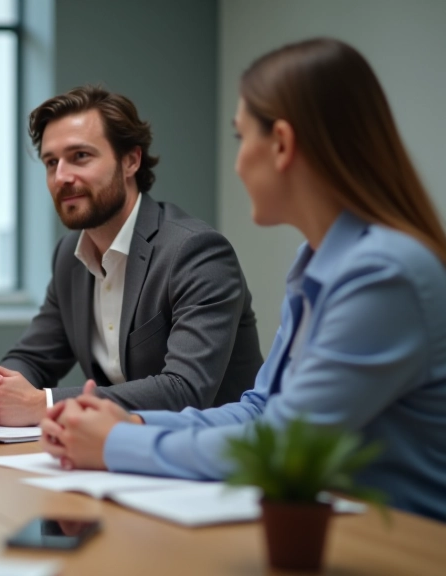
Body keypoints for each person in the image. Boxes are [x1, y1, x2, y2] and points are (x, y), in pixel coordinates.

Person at [39, 38, 446, 522]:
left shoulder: (383, 273)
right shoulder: (317, 261)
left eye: (240, 137)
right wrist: (131, 421)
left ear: (282, 145)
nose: (236, 163)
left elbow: (283, 445)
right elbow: (260, 409)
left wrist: (118, 442)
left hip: (401, 545)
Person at [0, 86, 263, 427]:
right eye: (51, 162)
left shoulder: (196, 251)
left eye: (80, 156)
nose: (61, 177)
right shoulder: (69, 256)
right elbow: (34, 357)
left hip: (216, 460)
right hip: (119, 455)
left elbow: (185, 389)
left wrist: (41, 404)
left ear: (131, 160)